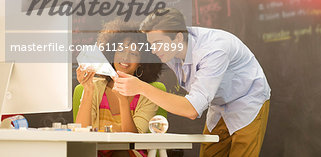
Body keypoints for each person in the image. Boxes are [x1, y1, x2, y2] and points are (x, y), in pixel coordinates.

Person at [113, 8, 271, 157]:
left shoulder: (213, 51)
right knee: (209, 153)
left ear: (179, 37)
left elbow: (192, 110)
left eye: (158, 44)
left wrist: (141, 87)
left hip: (246, 98)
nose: (153, 50)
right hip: (218, 103)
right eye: (151, 44)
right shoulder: (170, 46)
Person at [76, 19, 163, 157]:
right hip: (96, 152)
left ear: (142, 63)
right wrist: (88, 90)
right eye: (121, 50)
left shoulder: (146, 93)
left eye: (133, 54)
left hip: (128, 153)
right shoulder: (96, 87)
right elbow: (80, 133)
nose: (125, 57)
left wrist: (123, 101)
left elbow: (133, 141)